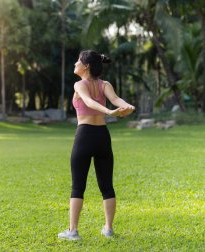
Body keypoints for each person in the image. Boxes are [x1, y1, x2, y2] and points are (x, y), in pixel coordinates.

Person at [58, 50, 135, 240]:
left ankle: (73, 231)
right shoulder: (104, 84)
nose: (75, 63)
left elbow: (89, 101)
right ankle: (108, 229)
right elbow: (113, 100)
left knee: (78, 186)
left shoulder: (79, 84)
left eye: (78, 61)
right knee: (106, 185)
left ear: (86, 66)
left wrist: (125, 107)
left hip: (84, 136)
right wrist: (119, 107)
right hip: (102, 136)